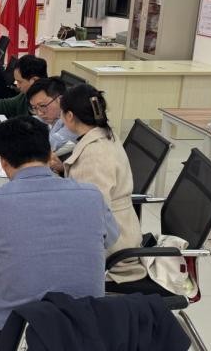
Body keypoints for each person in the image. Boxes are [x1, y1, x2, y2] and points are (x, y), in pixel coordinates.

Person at [0, 116, 118, 345]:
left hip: (22, 336)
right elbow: (111, 238)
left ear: (3, 162)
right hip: (88, 332)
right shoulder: (91, 196)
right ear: (50, 154)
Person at [60, 84, 147, 283]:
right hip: (120, 230)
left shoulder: (95, 155)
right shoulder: (104, 135)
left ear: (70, 116)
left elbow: (92, 216)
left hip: (112, 250)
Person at [27, 77, 77, 154]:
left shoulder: (74, 121)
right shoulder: (49, 116)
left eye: (42, 106)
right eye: (34, 108)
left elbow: (46, 147)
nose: (40, 113)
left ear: (61, 100)